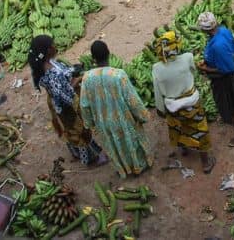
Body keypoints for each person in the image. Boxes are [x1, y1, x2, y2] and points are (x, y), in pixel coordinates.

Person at [28, 35, 108, 166]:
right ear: (48, 51)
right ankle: (92, 158)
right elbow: (65, 94)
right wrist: (78, 80)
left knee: (68, 130)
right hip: (68, 107)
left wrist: (73, 71)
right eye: (52, 45)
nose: (55, 46)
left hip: (57, 102)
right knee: (79, 131)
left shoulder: (47, 64)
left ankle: (75, 152)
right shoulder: (53, 76)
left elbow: (61, 77)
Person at [79, 40, 153, 178]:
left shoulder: (86, 78)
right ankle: (139, 166)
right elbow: (133, 100)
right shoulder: (118, 75)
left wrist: (89, 124)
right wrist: (143, 116)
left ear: (93, 59)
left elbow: (84, 104)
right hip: (123, 119)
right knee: (132, 143)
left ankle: (125, 169)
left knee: (114, 145)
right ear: (108, 54)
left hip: (103, 122)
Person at [151, 31, 215, 173]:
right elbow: (194, 71)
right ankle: (205, 163)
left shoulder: (157, 68)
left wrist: (160, 109)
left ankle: (185, 149)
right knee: (200, 129)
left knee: (178, 127)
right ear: (177, 46)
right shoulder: (187, 58)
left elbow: (157, 92)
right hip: (191, 103)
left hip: (172, 106)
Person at [198, 11, 234, 146]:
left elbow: (223, 70)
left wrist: (205, 69)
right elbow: (233, 49)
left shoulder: (217, 46)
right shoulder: (223, 31)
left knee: (229, 107)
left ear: (204, 29)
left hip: (225, 80)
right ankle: (232, 116)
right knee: (232, 101)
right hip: (230, 72)